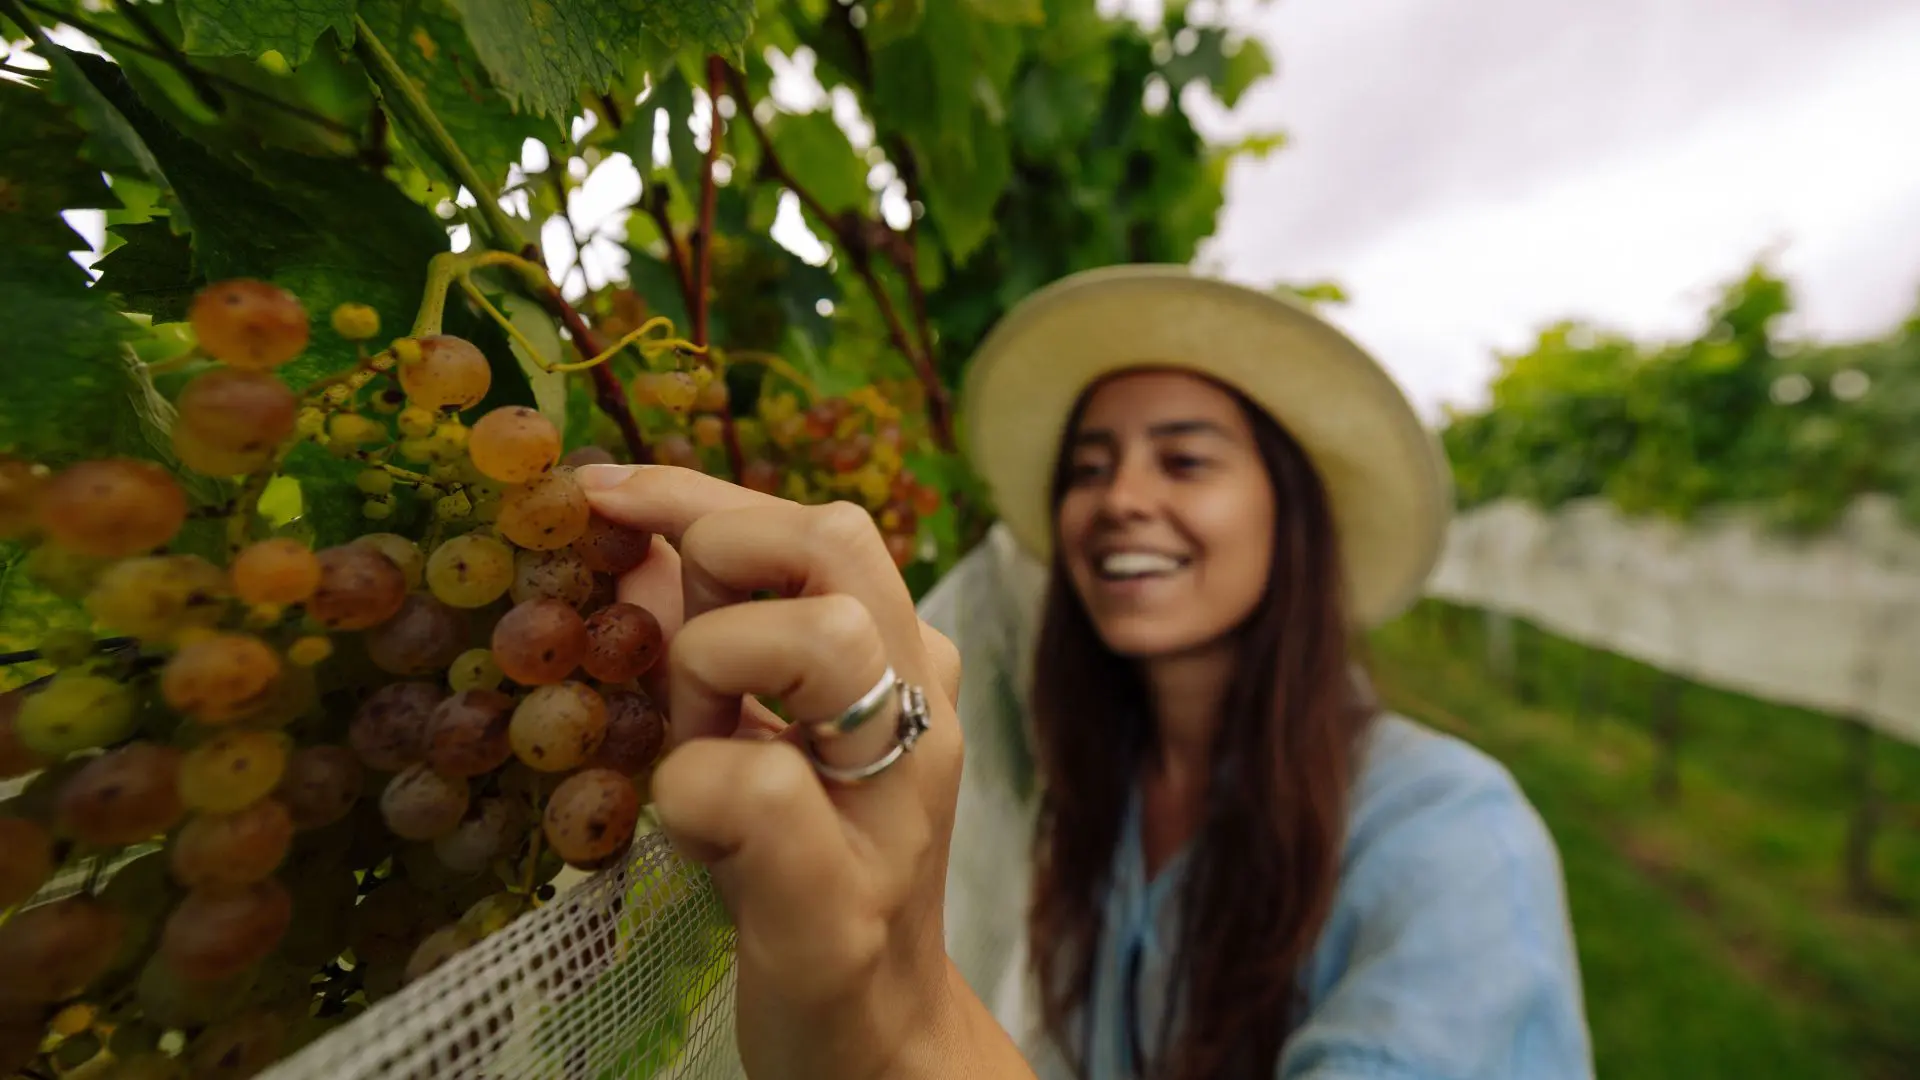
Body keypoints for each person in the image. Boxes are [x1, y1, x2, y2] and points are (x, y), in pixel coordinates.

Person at [574, 264, 1594, 1080]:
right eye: (1089, 468)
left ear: (1291, 519)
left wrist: (906, 1027)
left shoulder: (1456, 841)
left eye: (1185, 460)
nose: (1119, 499)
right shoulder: (1099, 789)